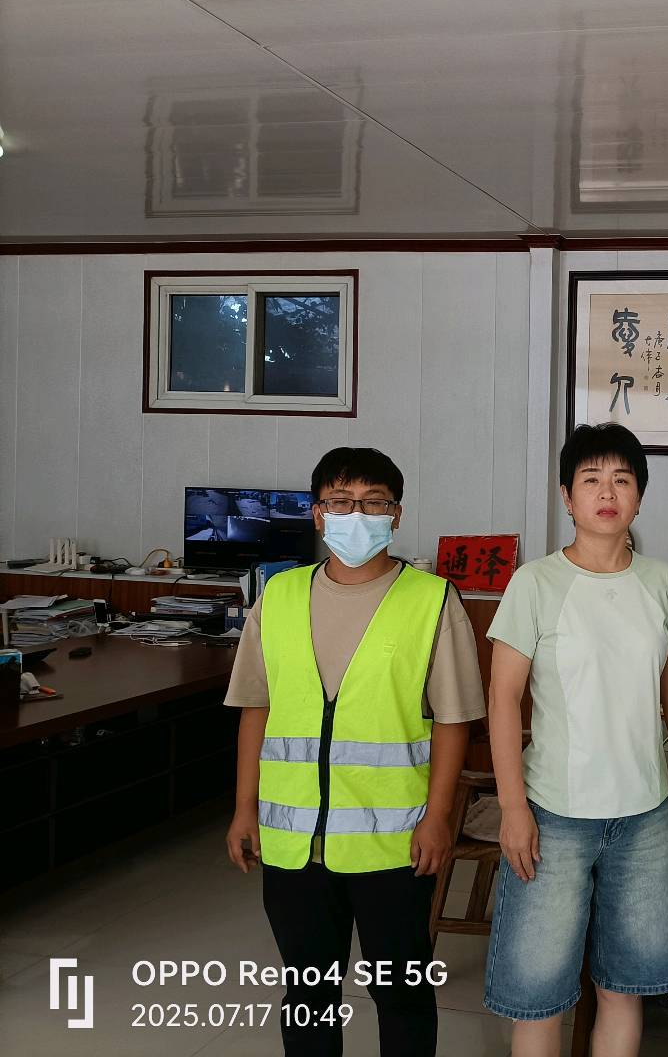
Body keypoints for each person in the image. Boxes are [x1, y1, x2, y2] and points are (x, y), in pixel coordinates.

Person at [223, 446, 486, 1057]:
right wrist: (244, 809)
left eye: (373, 503)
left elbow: (452, 721)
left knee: (402, 994)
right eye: (340, 502)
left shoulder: (431, 600)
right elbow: (256, 708)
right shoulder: (279, 596)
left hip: (393, 843)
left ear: (396, 515)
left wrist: (439, 818)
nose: (356, 516)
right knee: (308, 994)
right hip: (293, 841)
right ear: (318, 513)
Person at [484, 422, 668, 1057]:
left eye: (622, 480)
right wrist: (513, 807)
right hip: (553, 814)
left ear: (640, 496)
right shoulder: (534, 583)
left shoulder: (661, 582)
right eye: (591, 479)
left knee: (623, 986)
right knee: (539, 993)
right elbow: (502, 698)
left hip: (645, 814)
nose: (607, 492)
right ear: (567, 496)